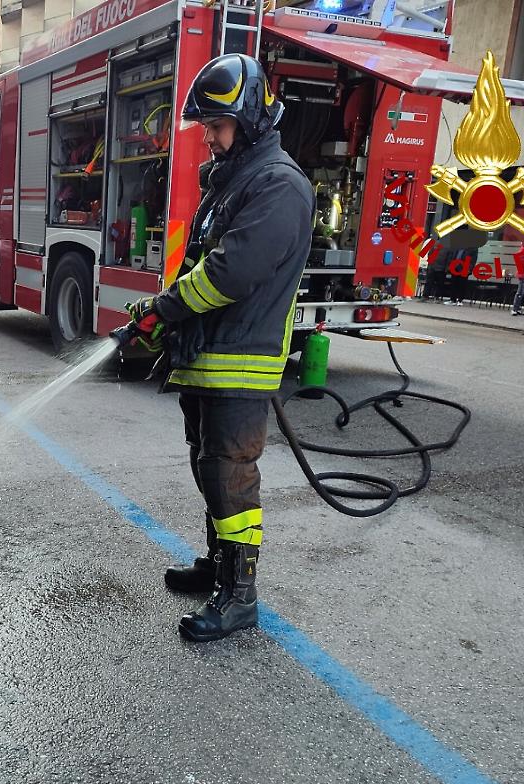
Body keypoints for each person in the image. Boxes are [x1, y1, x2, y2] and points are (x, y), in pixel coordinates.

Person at [124, 54, 313, 642]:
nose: (208, 137)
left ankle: (238, 594)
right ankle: (217, 566)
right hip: (209, 355)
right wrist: (162, 316)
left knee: (231, 476)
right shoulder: (235, 179)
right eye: (206, 126)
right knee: (210, 467)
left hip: (240, 359)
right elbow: (200, 261)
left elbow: (231, 272)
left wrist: (167, 309)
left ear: (250, 120)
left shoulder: (279, 185)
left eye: (217, 126)